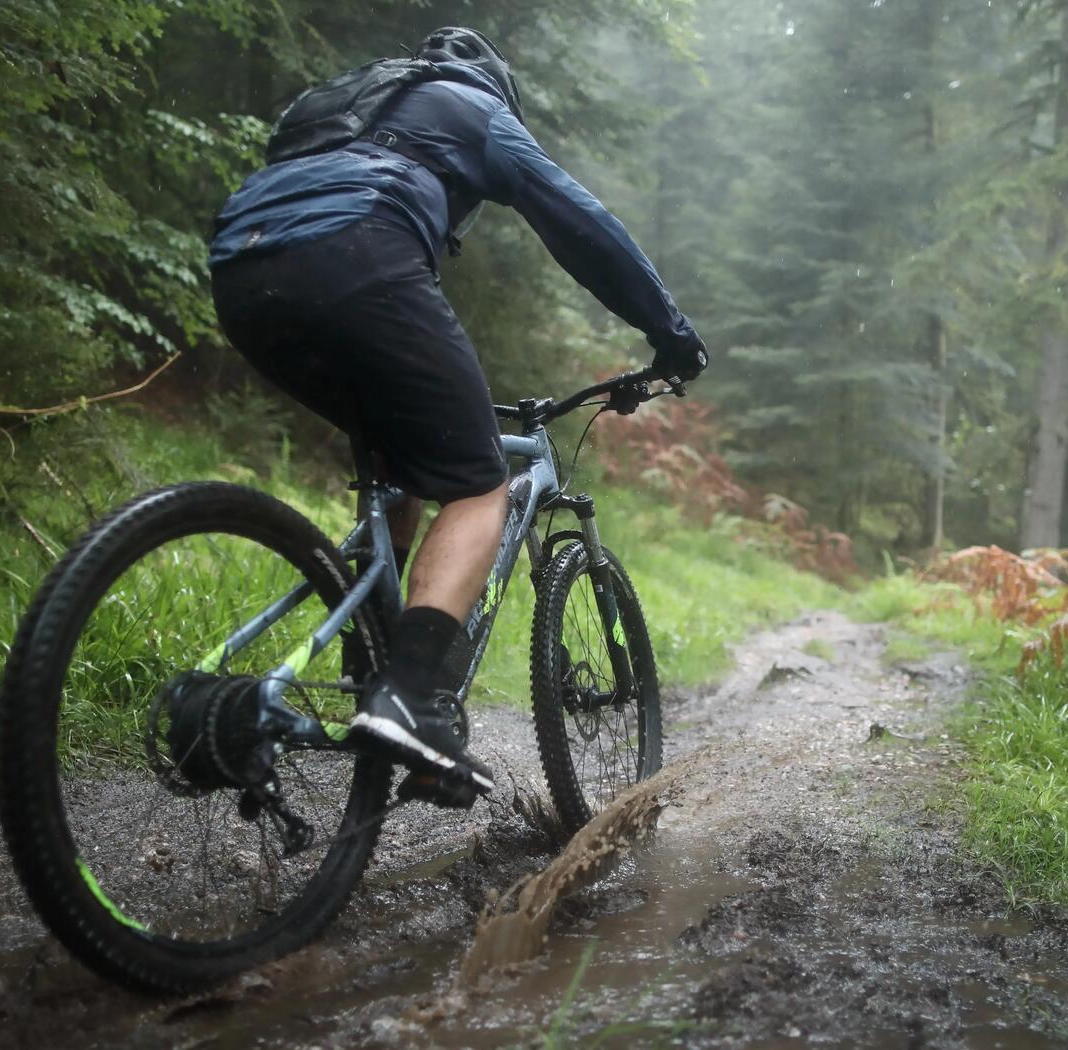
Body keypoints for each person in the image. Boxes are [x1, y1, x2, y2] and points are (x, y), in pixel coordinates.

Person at [208, 27, 708, 798]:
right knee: (479, 482)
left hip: (242, 268)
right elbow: (581, 224)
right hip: (359, 250)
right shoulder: (473, 106)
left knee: (398, 477)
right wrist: (670, 336)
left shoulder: (352, 107)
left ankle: (370, 677)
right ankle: (408, 698)